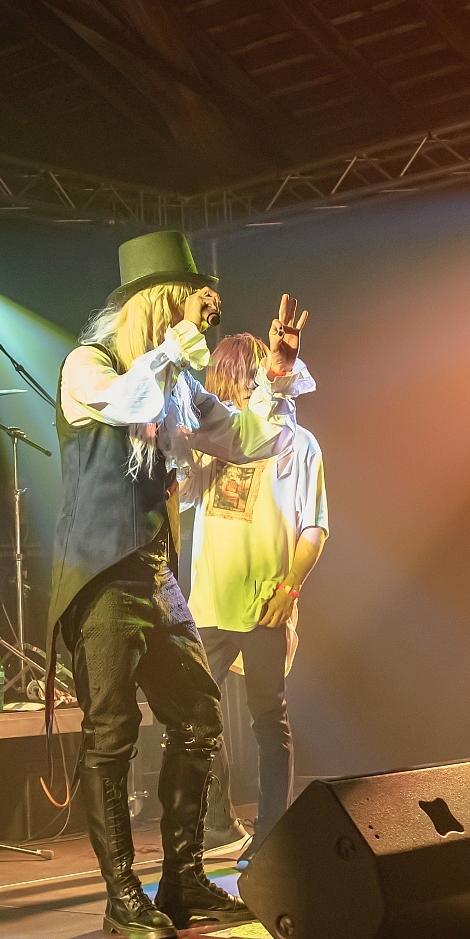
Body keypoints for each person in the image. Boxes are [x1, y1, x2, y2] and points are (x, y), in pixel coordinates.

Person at [53, 230, 310, 939]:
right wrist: (173, 351)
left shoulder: (178, 386)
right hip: (100, 574)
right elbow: (123, 402)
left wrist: (280, 374)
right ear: (159, 306)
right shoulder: (88, 366)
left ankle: (184, 879)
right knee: (112, 733)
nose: (205, 322)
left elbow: (250, 439)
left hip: (154, 573)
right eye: (194, 307)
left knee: (198, 715)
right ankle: (121, 894)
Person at [184, 331, 329, 853]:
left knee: (268, 718)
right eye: (234, 380)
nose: (242, 390)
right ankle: (216, 823)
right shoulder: (212, 442)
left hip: (265, 601)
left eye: (248, 379)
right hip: (208, 603)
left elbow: (314, 528)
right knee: (192, 714)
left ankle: (272, 835)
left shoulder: (298, 443)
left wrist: (289, 590)